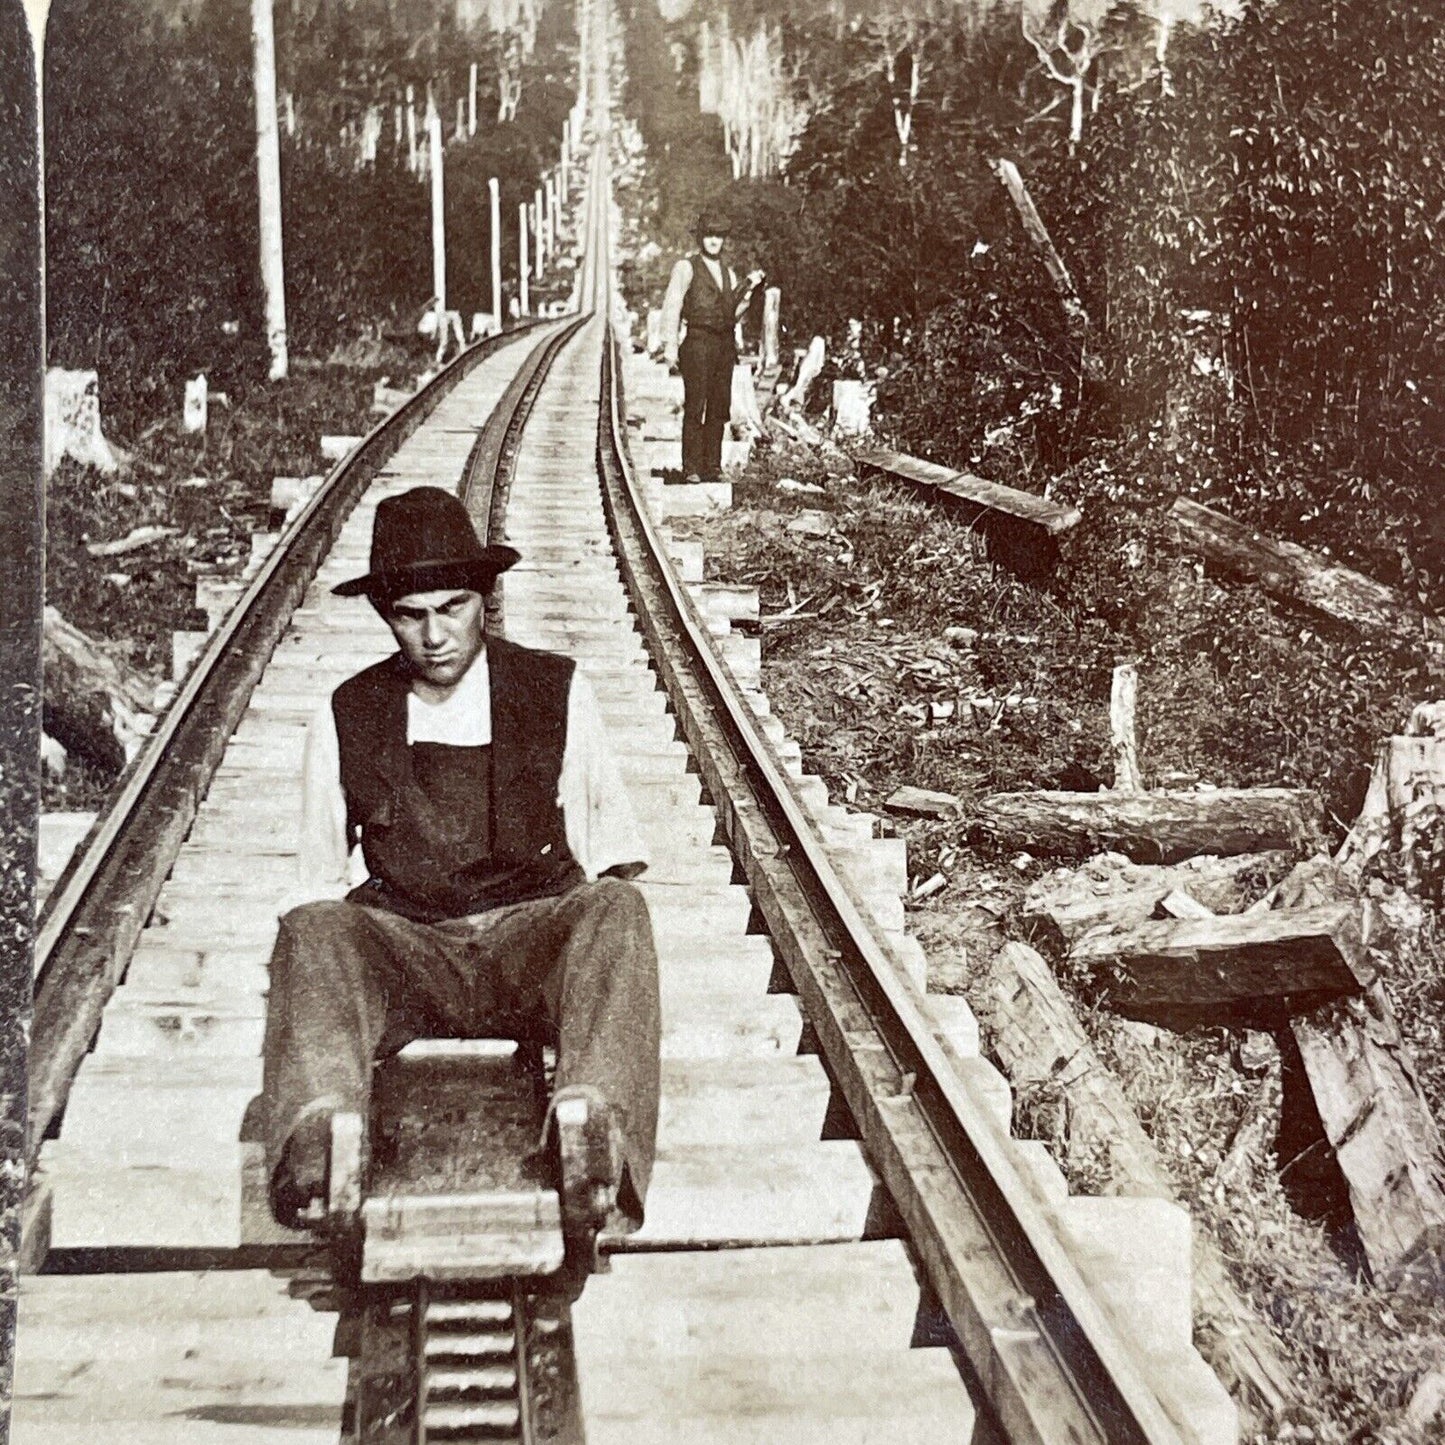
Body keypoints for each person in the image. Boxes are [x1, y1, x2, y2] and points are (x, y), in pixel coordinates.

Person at [261, 486, 660, 1244]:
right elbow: (316, 886)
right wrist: (321, 973)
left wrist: (587, 974)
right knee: (312, 927)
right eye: (411, 615)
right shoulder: (345, 712)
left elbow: (612, 857)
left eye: (452, 607)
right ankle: (324, 1139)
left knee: (618, 910)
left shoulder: (558, 690)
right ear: (387, 616)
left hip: (526, 944)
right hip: (409, 953)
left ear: (484, 598)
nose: (434, 635)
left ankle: (594, 1131)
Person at [660, 207, 764, 483]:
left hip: (723, 345)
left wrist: (749, 291)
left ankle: (712, 466)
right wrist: (669, 346)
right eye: (709, 236)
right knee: (696, 405)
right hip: (697, 341)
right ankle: (691, 467)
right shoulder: (686, 267)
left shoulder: (728, 273)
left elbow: (733, 314)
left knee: (719, 406)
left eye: (719, 236)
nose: (714, 241)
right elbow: (672, 306)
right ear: (701, 238)